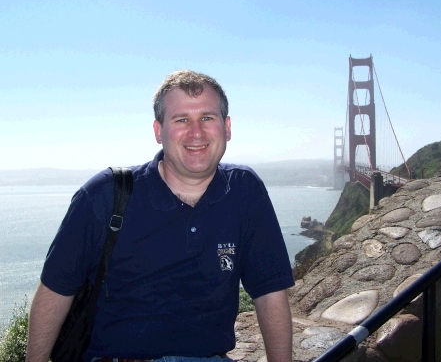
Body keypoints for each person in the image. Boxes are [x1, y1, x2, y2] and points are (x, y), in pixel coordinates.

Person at [25, 70, 295, 362]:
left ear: (227, 127)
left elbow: (270, 294)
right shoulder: (104, 196)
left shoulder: (244, 191)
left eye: (207, 117)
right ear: (158, 131)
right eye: (181, 120)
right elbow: (55, 291)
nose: (196, 132)